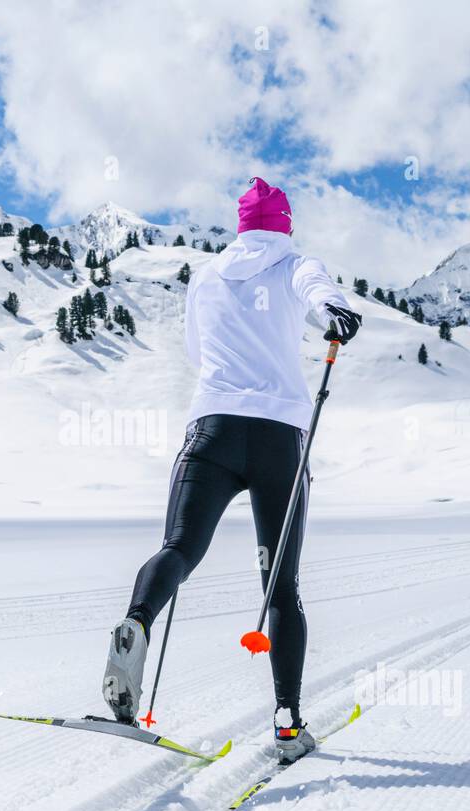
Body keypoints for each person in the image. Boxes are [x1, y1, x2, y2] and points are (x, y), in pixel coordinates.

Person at [101, 177, 362, 765]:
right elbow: (317, 288)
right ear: (284, 225)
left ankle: (136, 624)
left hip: (212, 430)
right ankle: (288, 723)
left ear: (242, 225)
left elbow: (197, 352)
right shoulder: (295, 263)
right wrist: (333, 314)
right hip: (278, 440)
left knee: (180, 548)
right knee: (279, 585)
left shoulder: (208, 274)